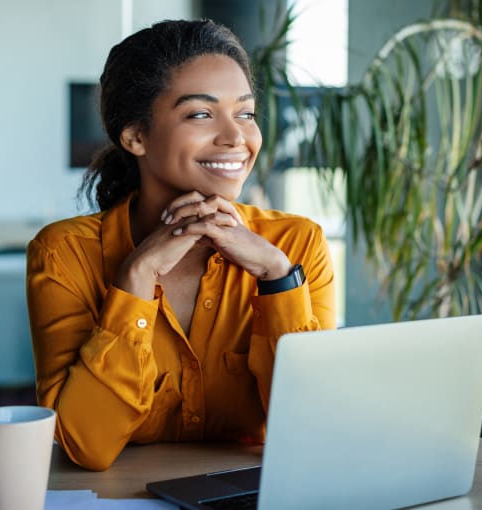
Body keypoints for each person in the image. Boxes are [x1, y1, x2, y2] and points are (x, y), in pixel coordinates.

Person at [26, 19, 335, 471]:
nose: (236, 138)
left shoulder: (294, 246)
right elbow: (85, 446)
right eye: (201, 114)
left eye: (245, 114)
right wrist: (134, 280)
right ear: (134, 136)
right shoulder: (63, 254)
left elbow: (316, 429)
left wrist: (277, 279)